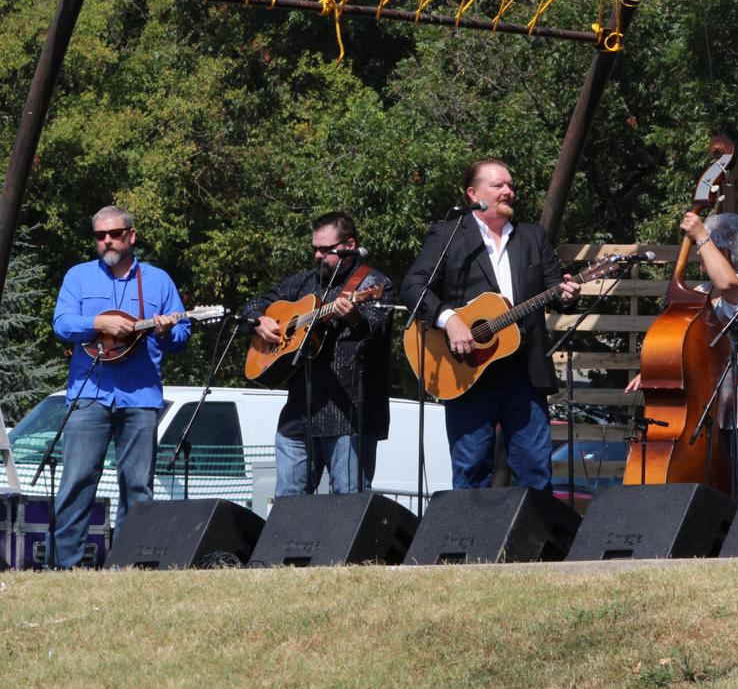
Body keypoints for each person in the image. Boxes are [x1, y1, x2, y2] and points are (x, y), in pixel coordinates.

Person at [400, 159, 581, 491]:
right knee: (471, 471)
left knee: (535, 470)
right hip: (467, 372)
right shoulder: (449, 234)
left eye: (510, 185)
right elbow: (413, 287)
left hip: (524, 372)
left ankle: (530, 542)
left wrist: (567, 294)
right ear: (473, 194)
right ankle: (470, 543)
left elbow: (556, 292)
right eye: (499, 185)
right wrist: (450, 319)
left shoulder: (532, 236)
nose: (508, 191)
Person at [51, 205, 190, 568]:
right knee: (77, 481)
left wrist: (166, 330)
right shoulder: (78, 277)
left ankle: (130, 565)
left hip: (140, 395)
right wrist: (97, 321)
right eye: (100, 236)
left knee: (138, 487)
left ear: (131, 235)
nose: (107, 241)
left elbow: (182, 333)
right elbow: (62, 324)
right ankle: (67, 567)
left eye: (114, 234)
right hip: (88, 394)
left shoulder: (158, 281)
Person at [626, 212, 738, 498]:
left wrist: (701, 234)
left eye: (708, 245)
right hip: (708, 404)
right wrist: (658, 369)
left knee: (736, 486)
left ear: (725, 249)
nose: (701, 253)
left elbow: (729, 287)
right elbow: (689, 343)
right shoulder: (700, 291)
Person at [242, 211, 394, 496]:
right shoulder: (304, 282)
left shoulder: (374, 284)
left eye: (325, 250)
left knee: (347, 506)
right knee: (288, 504)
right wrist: (259, 320)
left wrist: (353, 317)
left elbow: (375, 328)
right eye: (314, 249)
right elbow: (253, 304)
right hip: (298, 413)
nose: (317, 256)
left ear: (349, 246)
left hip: (349, 413)